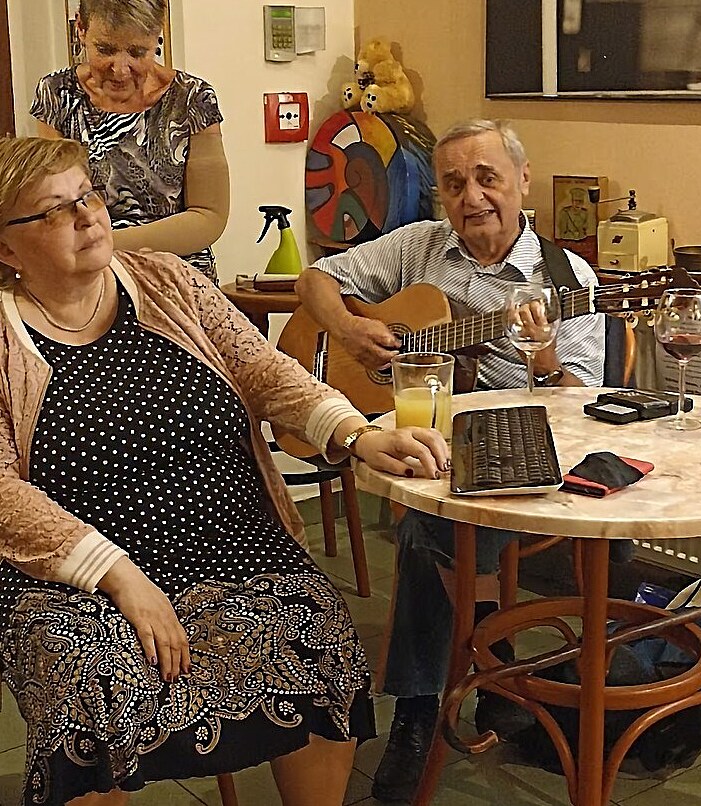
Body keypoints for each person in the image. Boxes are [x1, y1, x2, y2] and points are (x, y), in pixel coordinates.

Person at [0, 136, 449, 806]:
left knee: (319, 635)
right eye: (54, 210)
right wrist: (119, 576)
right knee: (87, 682)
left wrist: (356, 432)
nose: (87, 215)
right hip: (77, 574)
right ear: (7, 249)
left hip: (227, 539)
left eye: (87, 195)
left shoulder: (169, 281)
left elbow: (263, 371)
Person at [295, 118, 606, 802]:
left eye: (488, 178)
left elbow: (579, 405)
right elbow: (315, 278)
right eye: (455, 183)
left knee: (425, 528)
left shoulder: (566, 278)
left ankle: (417, 710)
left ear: (523, 181)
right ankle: (492, 669)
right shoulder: (421, 246)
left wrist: (543, 355)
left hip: (522, 453)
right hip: (429, 440)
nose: (472, 197)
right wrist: (351, 329)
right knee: (432, 512)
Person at [30, 0, 229, 284]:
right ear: (81, 30)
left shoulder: (192, 99)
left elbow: (208, 217)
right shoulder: (57, 94)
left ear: (157, 37)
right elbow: (53, 202)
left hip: (178, 277)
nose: (121, 70)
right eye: (105, 49)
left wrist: (105, 244)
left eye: (137, 52)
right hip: (89, 277)